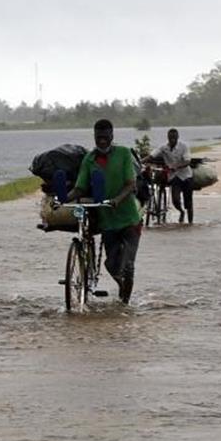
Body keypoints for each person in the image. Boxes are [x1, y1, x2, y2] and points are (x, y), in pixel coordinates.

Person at [65, 119, 142, 304]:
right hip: (107, 221)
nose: (102, 141)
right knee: (111, 264)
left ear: (112, 136)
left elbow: (131, 184)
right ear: (94, 137)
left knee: (127, 264)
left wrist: (117, 200)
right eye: (99, 137)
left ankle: (125, 305)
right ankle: (122, 287)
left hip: (130, 219)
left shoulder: (123, 154)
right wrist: (63, 199)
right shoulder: (89, 160)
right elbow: (80, 188)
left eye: (105, 137)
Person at [149, 127, 194, 224]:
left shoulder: (184, 146)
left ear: (178, 137)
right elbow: (152, 155)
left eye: (174, 138)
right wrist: (140, 162)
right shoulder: (163, 147)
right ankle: (181, 211)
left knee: (188, 203)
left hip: (186, 176)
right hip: (174, 177)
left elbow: (187, 161)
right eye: (170, 138)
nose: (172, 140)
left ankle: (190, 223)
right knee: (176, 200)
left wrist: (176, 166)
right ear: (168, 138)